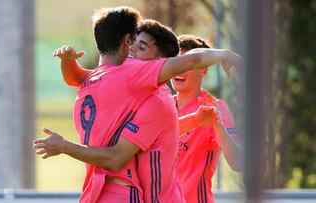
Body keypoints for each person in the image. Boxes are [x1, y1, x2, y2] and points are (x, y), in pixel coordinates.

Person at [33, 6, 240, 203]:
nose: (132, 50)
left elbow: (76, 78)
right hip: (115, 192)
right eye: (132, 43)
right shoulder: (132, 86)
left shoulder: (140, 88)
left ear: (161, 62)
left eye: (141, 47)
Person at [173, 34, 242, 203]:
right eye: (176, 63)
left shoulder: (214, 107)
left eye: (188, 64)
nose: (179, 69)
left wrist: (218, 126)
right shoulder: (162, 106)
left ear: (203, 70)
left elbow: (238, 163)